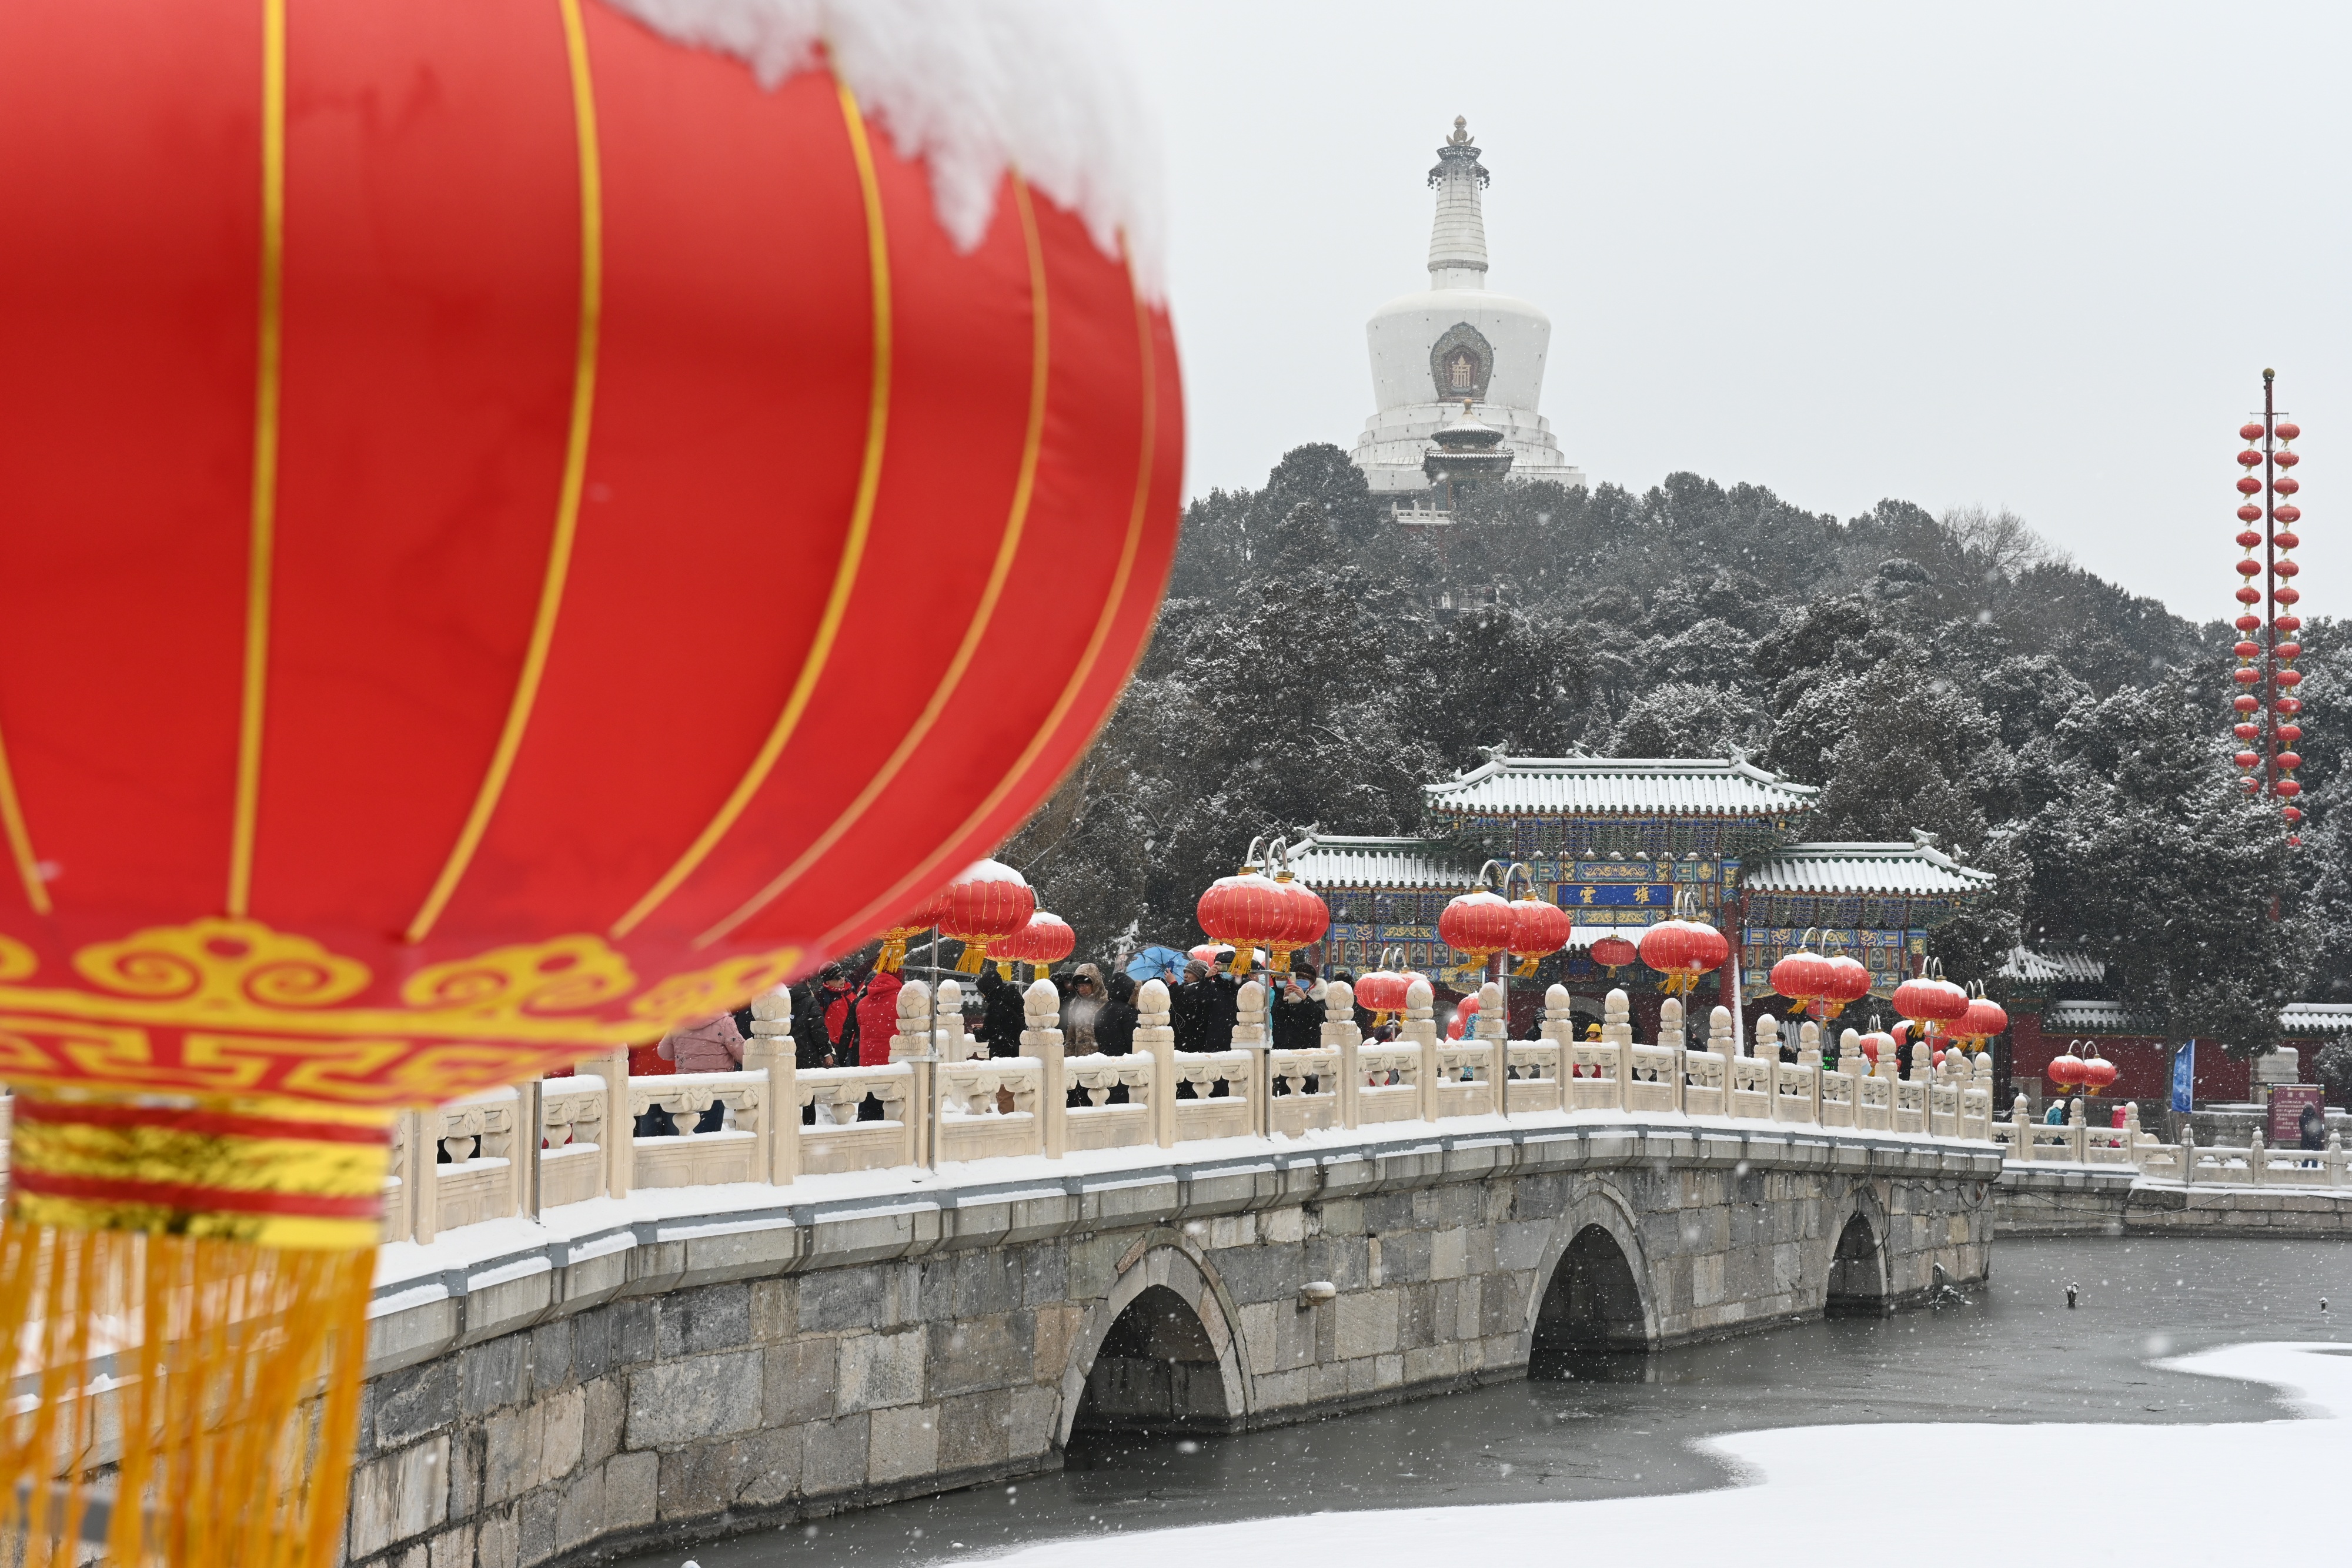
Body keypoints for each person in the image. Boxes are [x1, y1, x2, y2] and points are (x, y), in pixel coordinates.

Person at [655, 1013, 743, 1132]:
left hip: (684, 1085)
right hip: (713, 1087)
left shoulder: (678, 1021)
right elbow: (742, 1054)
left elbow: (664, 1052)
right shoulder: (725, 1022)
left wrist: (686, 1053)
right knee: (708, 1135)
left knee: (684, 1133)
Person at [975, 961, 1025, 1058]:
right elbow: (1011, 1024)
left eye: (983, 991)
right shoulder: (1014, 999)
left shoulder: (995, 1005)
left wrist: (977, 1032)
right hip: (1017, 1050)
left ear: (988, 989)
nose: (983, 995)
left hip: (1001, 1052)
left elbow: (988, 1034)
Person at [1063, 963, 1106, 1052]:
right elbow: (1071, 1037)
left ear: (1095, 983)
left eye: (1085, 985)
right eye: (1079, 986)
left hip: (1103, 1060)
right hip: (1081, 1061)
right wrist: (1068, 1060)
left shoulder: (1107, 1002)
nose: (1081, 990)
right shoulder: (1075, 1004)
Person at [1095, 974, 1139, 1057]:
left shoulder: (1101, 1011)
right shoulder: (1129, 1012)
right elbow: (1133, 1040)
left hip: (1104, 1059)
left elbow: (1098, 1038)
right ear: (1127, 990)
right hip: (1124, 1060)